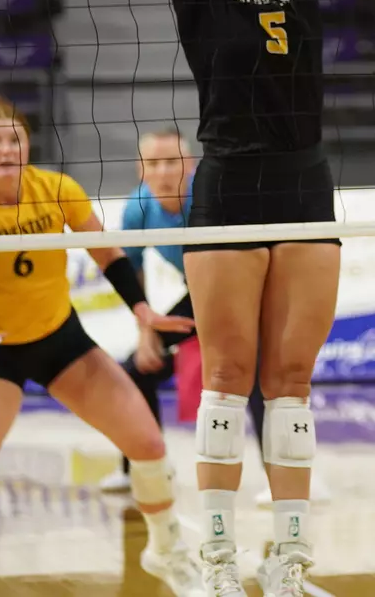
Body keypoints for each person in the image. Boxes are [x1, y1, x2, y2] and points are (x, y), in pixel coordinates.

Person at [141, 0, 335, 597]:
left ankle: (289, 559)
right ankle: (218, 557)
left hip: (305, 185)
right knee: (227, 375)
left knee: (291, 379)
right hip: (228, 190)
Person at [0, 96, 197, 597]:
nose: (5, 148)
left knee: (148, 445)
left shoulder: (56, 190)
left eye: (14, 138)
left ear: (26, 145)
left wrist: (142, 311)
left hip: (61, 340)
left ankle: (166, 552)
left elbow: (108, 254)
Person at [99, 127, 269, 494]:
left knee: (256, 376)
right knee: (135, 370)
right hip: (200, 294)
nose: (163, 171)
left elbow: (242, 263)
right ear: (140, 169)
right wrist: (146, 334)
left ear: (189, 164)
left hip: (247, 288)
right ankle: (142, 470)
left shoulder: (209, 196)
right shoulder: (136, 208)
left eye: (172, 161)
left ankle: (285, 480)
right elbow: (134, 271)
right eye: (154, 163)